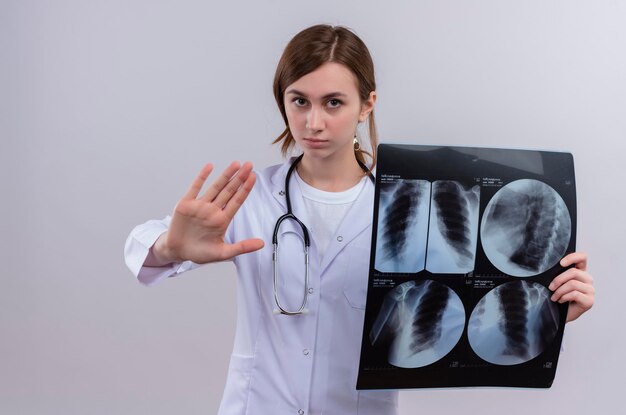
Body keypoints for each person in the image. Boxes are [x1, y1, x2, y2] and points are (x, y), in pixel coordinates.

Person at [124, 24, 595, 415]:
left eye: (334, 102)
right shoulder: (252, 197)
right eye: (298, 101)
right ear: (282, 101)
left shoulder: (412, 202)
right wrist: (171, 247)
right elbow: (144, 249)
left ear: (366, 104)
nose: (312, 123)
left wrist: (548, 308)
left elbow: (476, 300)